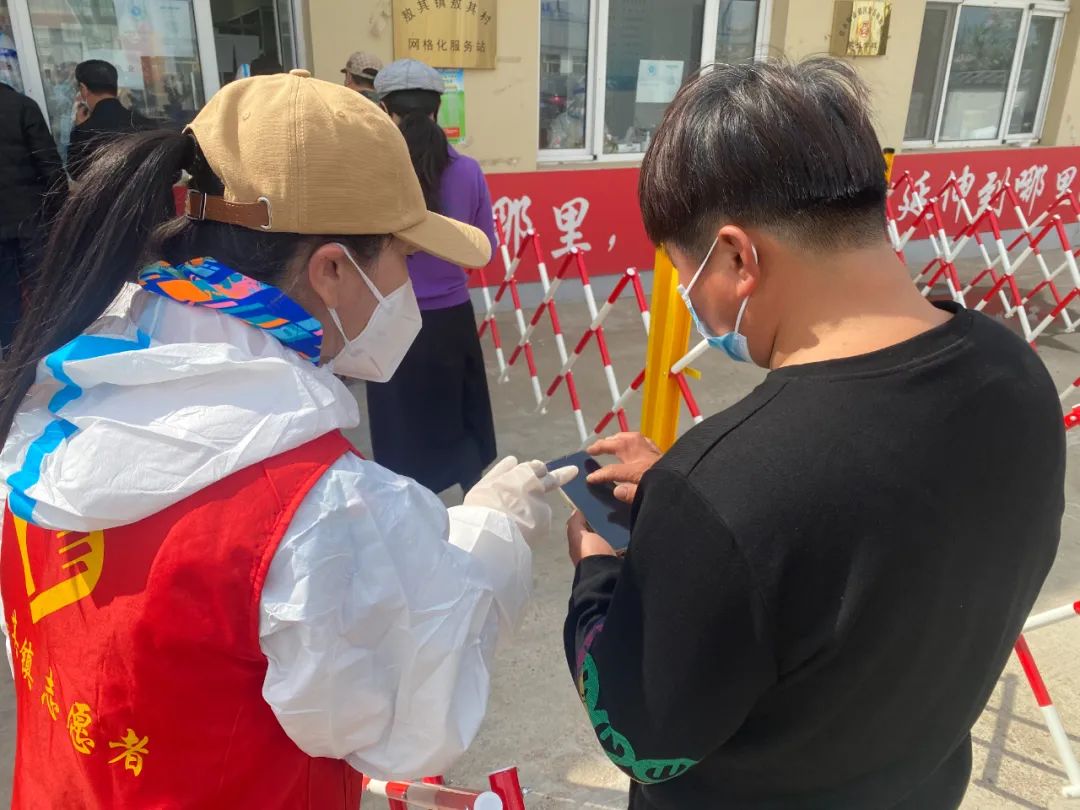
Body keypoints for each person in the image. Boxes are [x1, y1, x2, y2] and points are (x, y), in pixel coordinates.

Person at [0, 69, 574, 809]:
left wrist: (429, 535)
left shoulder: (58, 396)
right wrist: (493, 532)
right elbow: (407, 714)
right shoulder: (314, 503)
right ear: (332, 269)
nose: (409, 282)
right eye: (403, 255)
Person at [564, 57, 1064, 810]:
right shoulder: (1017, 373)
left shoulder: (728, 487)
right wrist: (683, 511)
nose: (691, 300)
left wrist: (601, 570)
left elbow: (641, 736)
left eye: (683, 273)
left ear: (737, 257)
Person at [367, 59, 498, 494]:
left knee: (399, 424)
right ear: (438, 108)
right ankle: (473, 500)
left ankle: (408, 507)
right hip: (451, 318)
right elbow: (485, 249)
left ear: (385, 110)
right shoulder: (468, 170)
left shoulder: (372, 175)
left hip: (389, 316)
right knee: (456, 412)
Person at [0, 82, 66, 355]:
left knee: (4, 298)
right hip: (31, 217)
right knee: (45, 288)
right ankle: (55, 349)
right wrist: (62, 215)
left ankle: (12, 355)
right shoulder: (21, 107)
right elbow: (50, 166)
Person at [66, 59, 152, 180]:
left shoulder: (84, 131)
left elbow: (76, 173)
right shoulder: (144, 123)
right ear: (115, 86)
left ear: (84, 89)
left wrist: (80, 127)